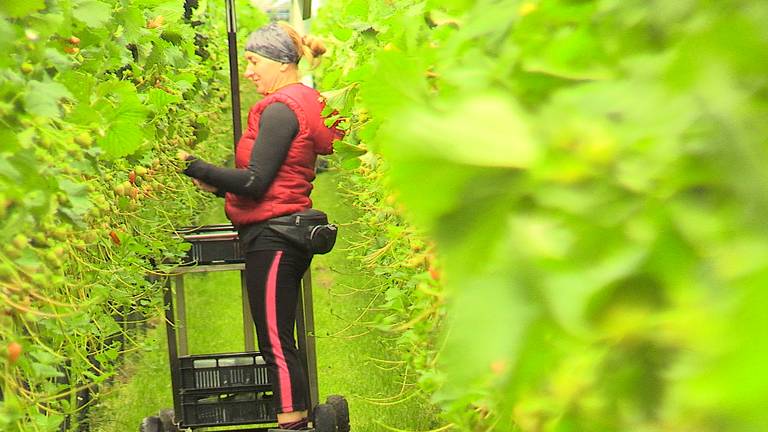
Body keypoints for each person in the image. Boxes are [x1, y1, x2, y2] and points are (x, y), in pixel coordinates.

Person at [178, 21, 342, 430]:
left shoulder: (281, 109)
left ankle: (293, 423)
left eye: (254, 61)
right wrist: (215, 183)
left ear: (281, 63)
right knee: (277, 334)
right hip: (280, 228)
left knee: (274, 338)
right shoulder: (296, 103)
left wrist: (193, 165)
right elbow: (269, 183)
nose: (249, 71)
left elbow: (255, 181)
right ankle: (295, 419)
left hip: (274, 236)